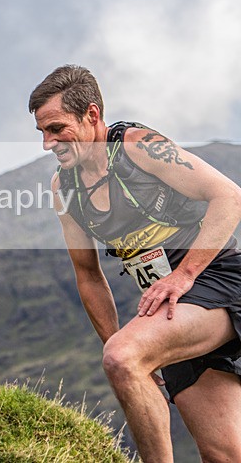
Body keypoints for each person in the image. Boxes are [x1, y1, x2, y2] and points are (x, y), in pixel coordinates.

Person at [29, 65, 241, 462]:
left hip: (219, 283)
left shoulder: (136, 146)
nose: (47, 143)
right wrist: (118, 343)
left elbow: (229, 197)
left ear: (91, 115)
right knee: (224, 454)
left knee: (123, 356)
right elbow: (88, 276)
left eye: (57, 128)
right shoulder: (65, 187)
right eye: (42, 132)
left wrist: (183, 275)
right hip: (172, 307)